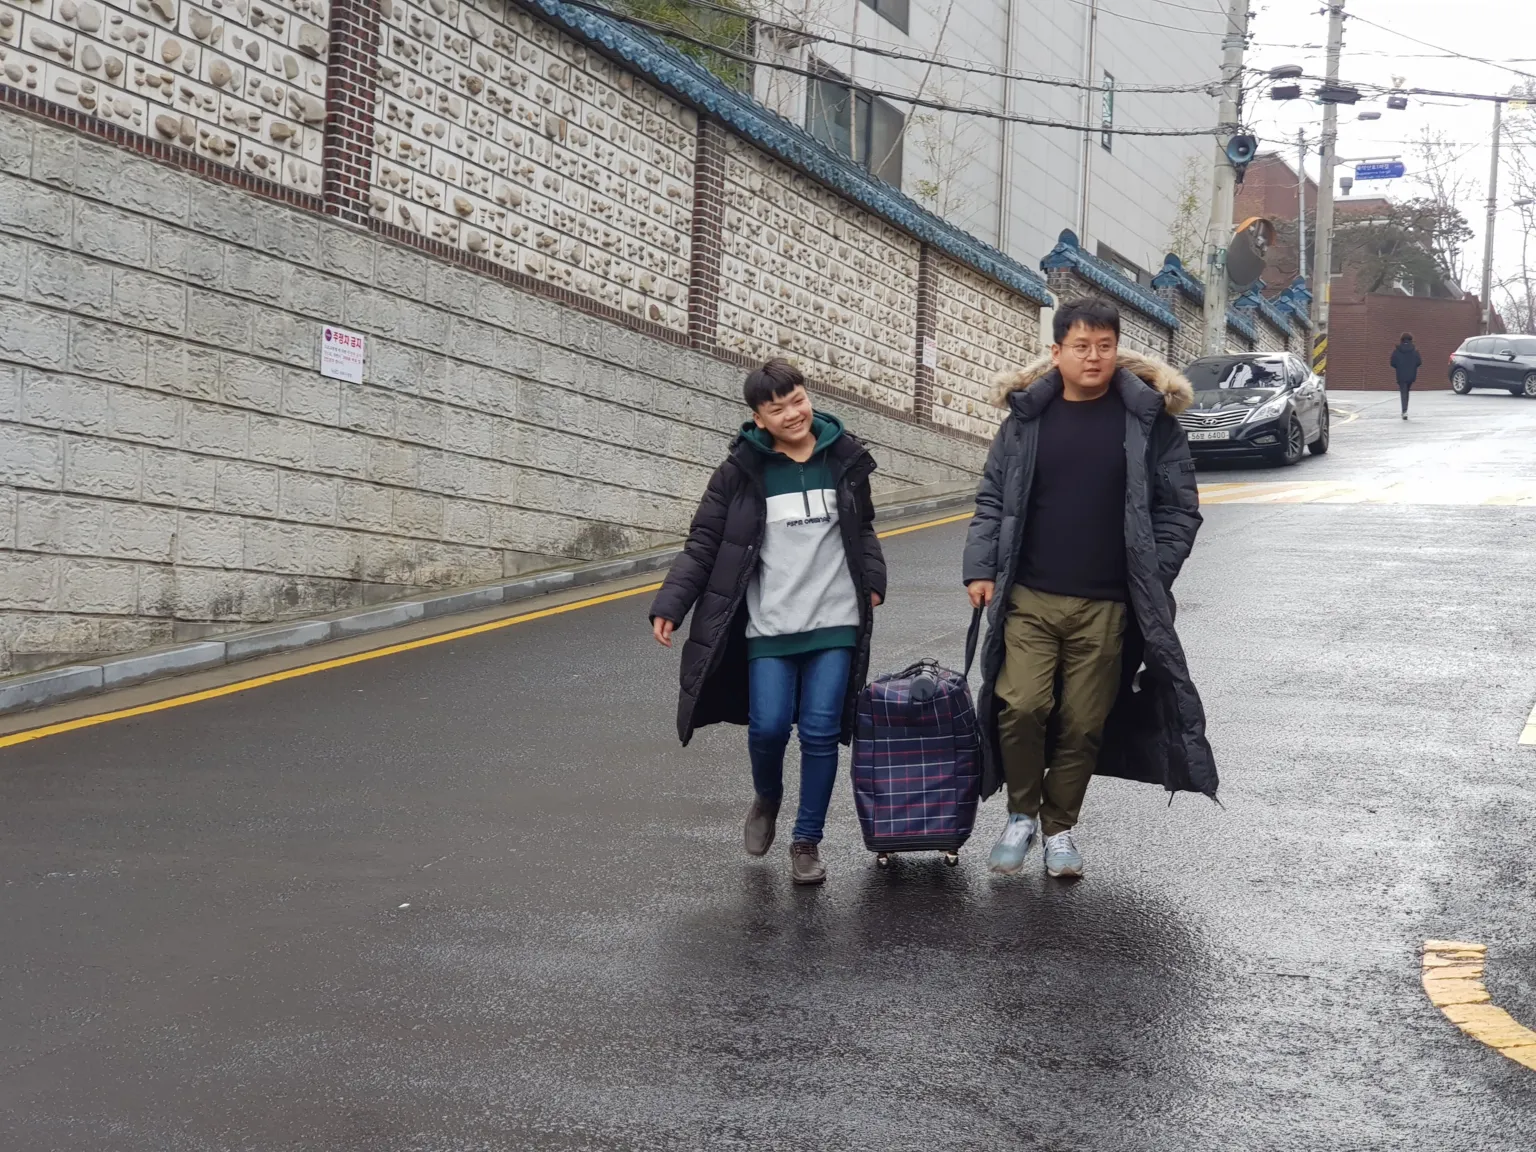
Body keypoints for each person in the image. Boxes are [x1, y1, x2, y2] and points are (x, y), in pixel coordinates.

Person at [962, 297, 1217, 880]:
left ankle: (1059, 829)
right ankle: (1021, 814)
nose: (1094, 357)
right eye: (1081, 346)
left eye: (1105, 345)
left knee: (1083, 722)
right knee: (1022, 706)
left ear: (1117, 349)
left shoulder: (1149, 422)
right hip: (1029, 595)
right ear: (1057, 352)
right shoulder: (1026, 419)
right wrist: (980, 568)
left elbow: (1180, 509)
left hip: (1108, 604)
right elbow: (993, 498)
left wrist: (1152, 572)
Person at [649, 359, 886, 886]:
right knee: (770, 727)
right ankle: (767, 797)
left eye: (798, 400)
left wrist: (873, 576)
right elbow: (704, 544)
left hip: (834, 620)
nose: (793, 414)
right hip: (771, 623)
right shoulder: (739, 472)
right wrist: (671, 603)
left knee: (821, 732)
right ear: (758, 419)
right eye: (777, 409)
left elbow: (864, 529)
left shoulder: (844, 459)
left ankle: (807, 841)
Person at [1390, 333, 1422, 419]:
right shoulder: (1415, 350)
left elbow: (1392, 362)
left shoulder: (1397, 350)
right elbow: (1419, 362)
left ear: (1401, 340)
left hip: (1400, 374)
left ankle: (1404, 411)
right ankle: (1405, 410)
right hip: (1411, 375)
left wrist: (1399, 366)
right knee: (1407, 391)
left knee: (1403, 392)